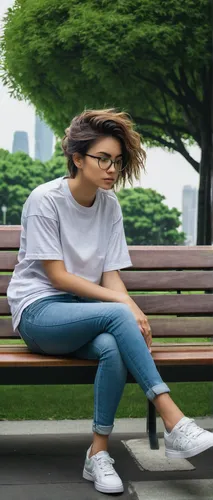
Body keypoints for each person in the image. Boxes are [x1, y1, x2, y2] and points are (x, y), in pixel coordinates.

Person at [7, 108, 213, 495]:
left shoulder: (109, 207)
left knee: (112, 347)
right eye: (103, 159)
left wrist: (127, 305)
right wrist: (127, 307)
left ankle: (97, 453)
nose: (112, 169)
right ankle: (173, 420)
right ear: (77, 158)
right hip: (39, 312)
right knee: (119, 317)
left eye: (117, 161)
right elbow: (58, 276)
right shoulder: (44, 200)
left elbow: (110, 276)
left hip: (85, 314)